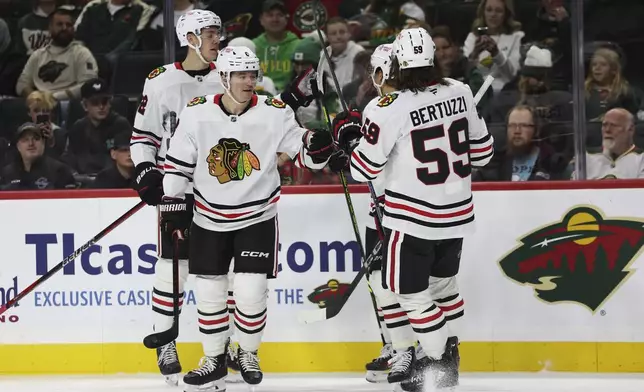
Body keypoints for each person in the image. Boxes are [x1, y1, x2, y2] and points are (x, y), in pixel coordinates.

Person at [131, 9, 320, 386]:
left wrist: (291, 100)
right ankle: (165, 340)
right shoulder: (162, 81)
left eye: (219, 31)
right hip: (182, 186)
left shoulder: (231, 71)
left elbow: (256, 117)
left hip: (229, 189)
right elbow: (143, 138)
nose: (218, 38)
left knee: (236, 282)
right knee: (175, 269)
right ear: (189, 38)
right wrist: (146, 170)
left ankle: (233, 348)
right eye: (209, 33)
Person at [330, 27, 493, 391]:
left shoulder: (389, 108)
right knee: (444, 290)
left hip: (412, 219)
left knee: (410, 295)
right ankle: (448, 354)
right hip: (457, 216)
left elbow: (362, 170)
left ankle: (438, 362)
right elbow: (483, 153)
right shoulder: (460, 91)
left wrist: (353, 142)